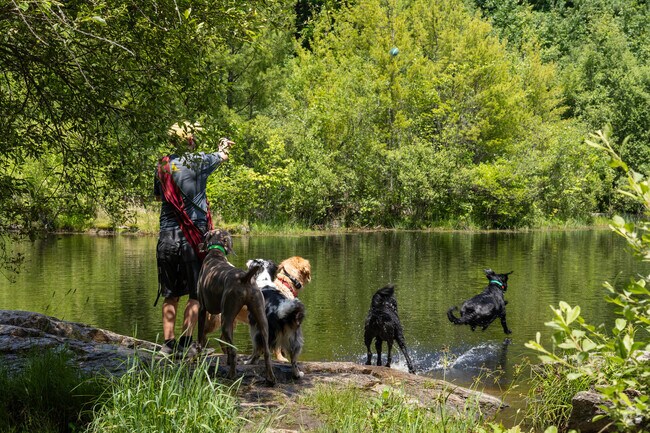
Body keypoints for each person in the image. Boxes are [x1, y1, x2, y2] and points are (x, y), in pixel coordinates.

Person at [153, 121, 233, 357]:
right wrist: (222, 145)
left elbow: (159, 198)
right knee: (195, 293)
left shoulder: (163, 166)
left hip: (167, 237)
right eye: (193, 137)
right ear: (188, 140)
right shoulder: (199, 160)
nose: (195, 140)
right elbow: (223, 156)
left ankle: (168, 346)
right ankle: (187, 343)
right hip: (192, 239)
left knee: (170, 293)